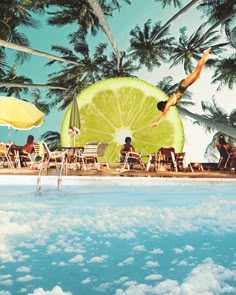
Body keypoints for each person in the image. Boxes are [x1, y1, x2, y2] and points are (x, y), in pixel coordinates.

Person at [152, 47, 211, 128]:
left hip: (183, 85)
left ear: (163, 107)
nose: (165, 110)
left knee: (196, 71)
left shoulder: (169, 103)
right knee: (198, 75)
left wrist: (157, 122)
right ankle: (204, 59)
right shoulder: (170, 103)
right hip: (184, 86)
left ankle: (204, 54)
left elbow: (164, 113)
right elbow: (165, 111)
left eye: (162, 109)